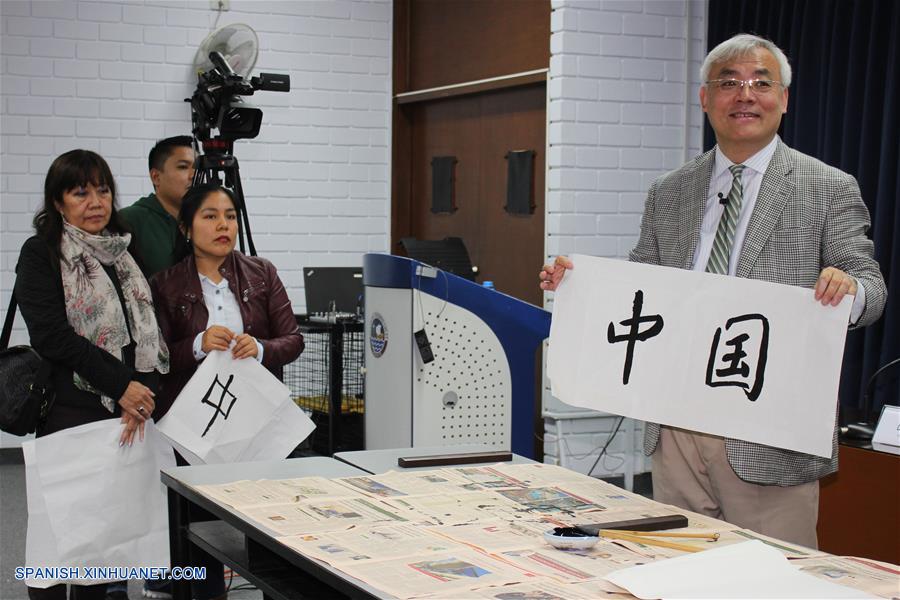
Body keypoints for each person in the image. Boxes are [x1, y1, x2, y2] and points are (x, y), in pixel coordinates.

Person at [539, 34, 887, 548]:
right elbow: (644, 280)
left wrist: (849, 288)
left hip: (768, 429)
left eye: (760, 83)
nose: (744, 95)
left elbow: (872, 287)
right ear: (706, 99)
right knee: (677, 564)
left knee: (771, 578)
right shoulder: (670, 189)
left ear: (784, 99)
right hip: (675, 421)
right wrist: (580, 283)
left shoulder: (827, 186)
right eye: (728, 83)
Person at [15, 150, 169, 600]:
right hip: (70, 412)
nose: (95, 200)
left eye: (102, 189)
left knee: (103, 543)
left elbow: (147, 328)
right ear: (58, 202)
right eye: (80, 192)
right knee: (56, 542)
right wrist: (122, 386)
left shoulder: (123, 249)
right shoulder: (41, 251)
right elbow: (52, 336)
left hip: (123, 416)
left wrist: (142, 395)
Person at [150, 183, 304, 600]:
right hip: (198, 424)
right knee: (198, 532)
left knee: (267, 524)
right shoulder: (164, 284)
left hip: (255, 417)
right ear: (186, 227)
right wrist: (199, 344)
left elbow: (293, 340)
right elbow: (156, 357)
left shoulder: (262, 272)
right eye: (210, 216)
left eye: (230, 215)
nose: (224, 225)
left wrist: (262, 347)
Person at [119, 136, 195, 276]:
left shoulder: (201, 220)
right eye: (183, 167)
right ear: (156, 177)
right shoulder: (129, 220)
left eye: (197, 168)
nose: (193, 175)